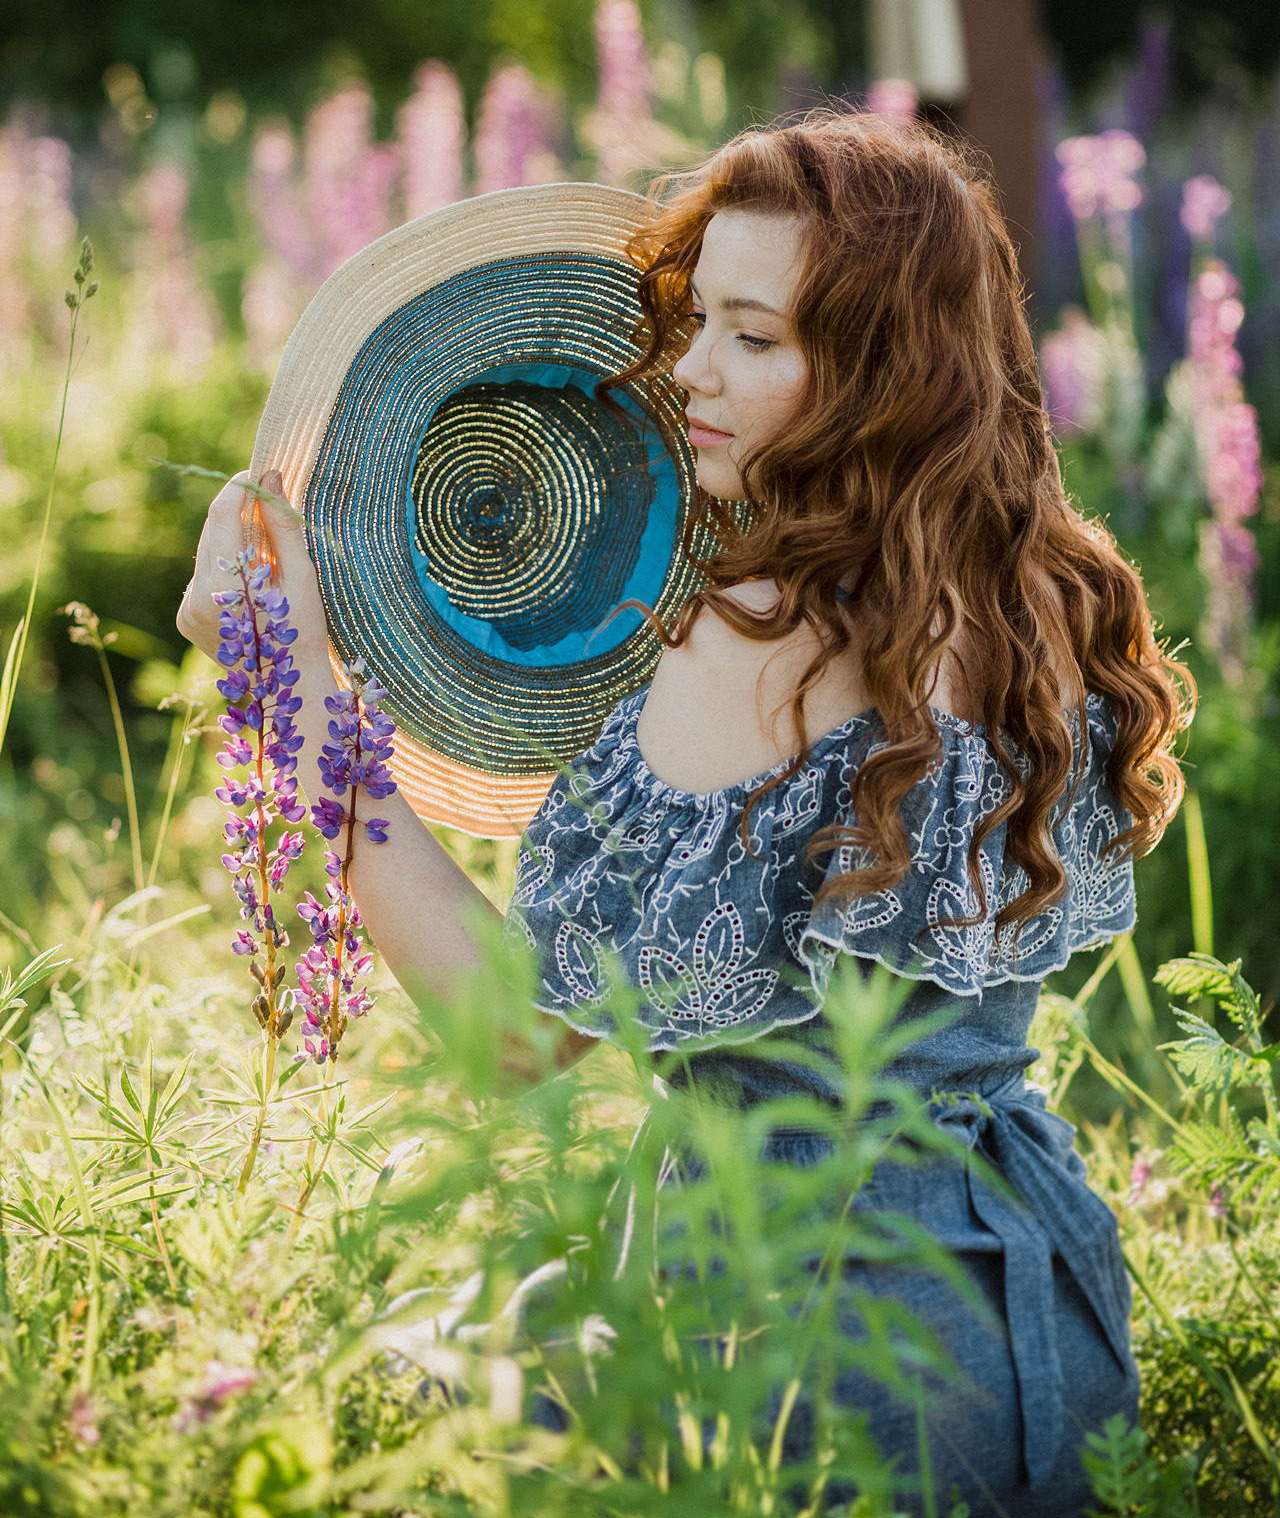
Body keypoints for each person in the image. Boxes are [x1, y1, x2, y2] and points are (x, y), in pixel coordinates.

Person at [178, 113, 1191, 1515]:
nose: (689, 373)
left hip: (808, 1338)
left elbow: (519, 1038)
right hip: (1047, 1311)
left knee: (390, 1405)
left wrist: (287, 705)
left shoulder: (764, 637)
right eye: (697, 317)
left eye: (754, 337)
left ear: (878, 373)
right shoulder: (1048, 596)